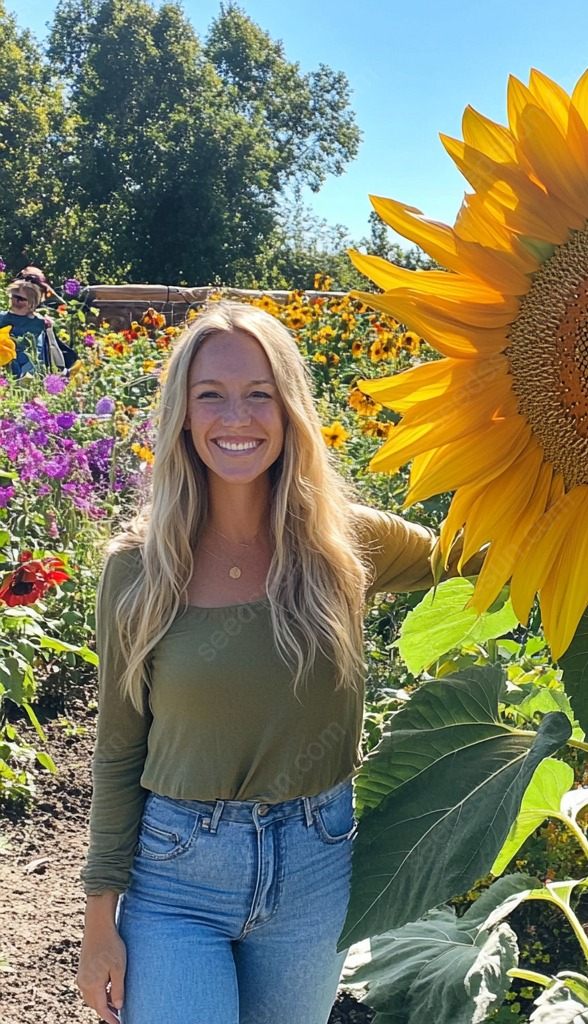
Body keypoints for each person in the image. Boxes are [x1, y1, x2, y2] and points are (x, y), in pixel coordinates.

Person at [76, 300, 467, 1024]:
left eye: (261, 394)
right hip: (176, 879)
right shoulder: (141, 568)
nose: (237, 417)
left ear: (290, 411)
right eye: (211, 396)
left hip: (317, 871)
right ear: (184, 417)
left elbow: (470, 553)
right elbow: (117, 749)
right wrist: (100, 921)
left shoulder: (344, 544)